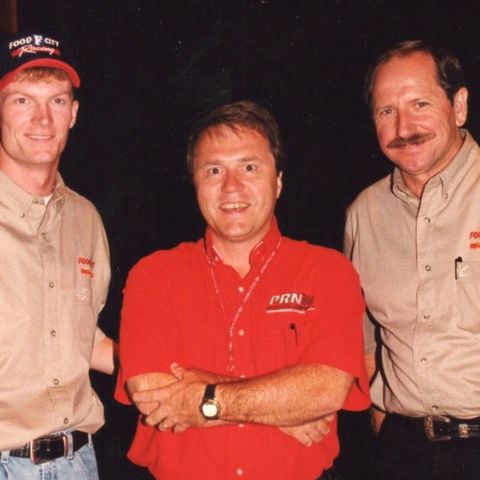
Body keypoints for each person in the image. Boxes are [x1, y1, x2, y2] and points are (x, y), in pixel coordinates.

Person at [115, 100, 369, 479]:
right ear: (196, 184)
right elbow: (153, 395)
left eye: (249, 167)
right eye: (214, 170)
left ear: (278, 180)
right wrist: (282, 409)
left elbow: (326, 391)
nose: (231, 186)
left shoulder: (329, 271)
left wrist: (205, 398)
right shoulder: (152, 275)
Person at [344, 40, 480, 479]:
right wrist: (382, 415)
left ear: (458, 106)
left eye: (419, 103)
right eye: (387, 111)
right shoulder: (364, 213)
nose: (404, 126)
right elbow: (364, 332)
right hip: (403, 450)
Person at [0, 32, 114, 479]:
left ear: (74, 113)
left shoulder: (85, 219)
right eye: (23, 101)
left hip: (77, 463)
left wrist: (179, 376)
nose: (42, 119)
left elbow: (86, 340)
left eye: (57, 101)